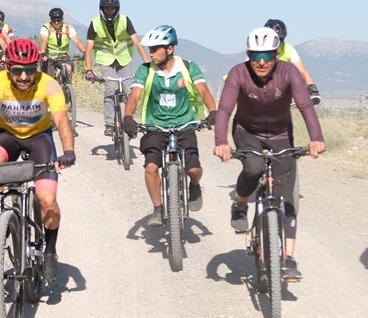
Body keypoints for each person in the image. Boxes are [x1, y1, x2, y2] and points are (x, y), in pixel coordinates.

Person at [0, 38, 76, 283]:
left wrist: (68, 151)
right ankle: (3, 225)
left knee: (47, 200)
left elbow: (61, 120)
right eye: (17, 70)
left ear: (37, 68)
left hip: (40, 138)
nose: (24, 76)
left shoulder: (48, 85)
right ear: (8, 66)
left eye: (30, 70)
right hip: (8, 136)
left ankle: (50, 251)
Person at [213, 26, 326, 282]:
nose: (261, 62)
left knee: (287, 197)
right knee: (254, 168)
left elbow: (305, 106)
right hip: (247, 131)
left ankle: (287, 257)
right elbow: (224, 110)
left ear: (277, 54)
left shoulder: (289, 72)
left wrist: (316, 138)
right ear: (248, 55)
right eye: (255, 56)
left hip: (280, 134)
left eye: (267, 55)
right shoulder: (238, 73)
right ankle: (241, 202)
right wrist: (221, 141)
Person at [122, 25, 218, 227]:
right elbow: (135, 95)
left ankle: (194, 184)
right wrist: (128, 116)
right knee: (150, 167)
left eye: (156, 48)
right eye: (150, 49)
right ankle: (158, 208)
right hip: (155, 127)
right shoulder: (145, 70)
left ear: (170, 49)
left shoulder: (188, 67)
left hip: (185, 125)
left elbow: (204, 91)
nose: (151, 53)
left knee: (194, 170)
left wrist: (213, 111)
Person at [83, 0, 150, 136]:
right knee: (110, 89)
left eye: (112, 9)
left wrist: (148, 65)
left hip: (124, 59)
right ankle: (109, 124)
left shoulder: (125, 20)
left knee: (129, 90)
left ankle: (128, 120)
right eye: (106, 8)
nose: (109, 11)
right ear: (102, 9)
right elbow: (88, 49)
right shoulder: (95, 23)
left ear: (117, 9)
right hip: (105, 60)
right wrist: (89, 69)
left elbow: (137, 44)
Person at [263, 19, 322, 105]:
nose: (278, 44)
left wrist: (313, 90)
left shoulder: (288, 48)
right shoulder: (257, 49)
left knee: (293, 71)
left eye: (281, 40)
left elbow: (302, 70)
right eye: (274, 40)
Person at [39, 7, 86, 82]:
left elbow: (77, 41)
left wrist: (85, 52)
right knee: (49, 81)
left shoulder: (68, 28)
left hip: (63, 56)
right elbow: (44, 41)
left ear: (62, 19)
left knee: (68, 69)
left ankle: (67, 88)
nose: (56, 22)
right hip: (48, 57)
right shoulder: (46, 28)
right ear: (51, 20)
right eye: (54, 21)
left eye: (58, 20)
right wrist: (43, 52)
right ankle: (55, 85)